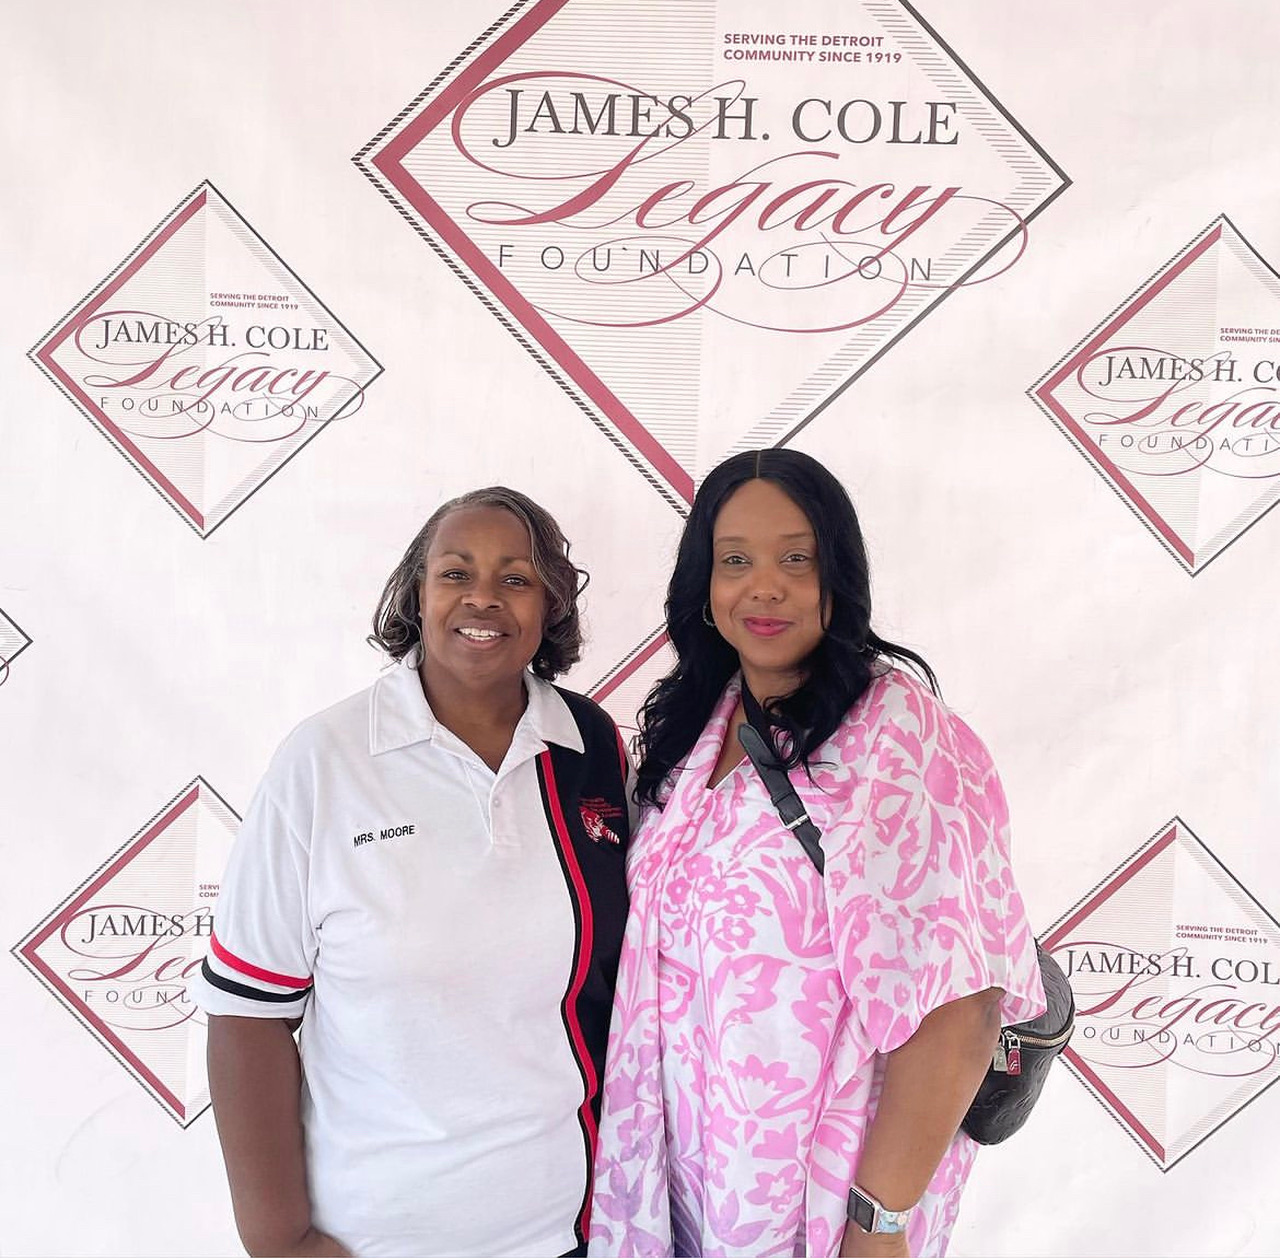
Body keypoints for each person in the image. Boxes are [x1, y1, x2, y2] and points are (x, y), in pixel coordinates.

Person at [589, 450, 1045, 1259]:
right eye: (736, 561)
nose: (764, 586)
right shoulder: (696, 725)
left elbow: (960, 1007)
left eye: (796, 559)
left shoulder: (897, 737)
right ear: (704, 584)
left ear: (839, 576)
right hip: (687, 1185)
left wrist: (878, 1226)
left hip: (824, 1199)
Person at [194, 487, 631, 1258]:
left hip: (568, 1233)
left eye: (516, 578)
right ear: (418, 594)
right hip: (375, 1238)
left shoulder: (589, 744)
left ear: (550, 605)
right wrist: (280, 1240)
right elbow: (247, 1017)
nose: (483, 599)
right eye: (456, 573)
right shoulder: (324, 761)